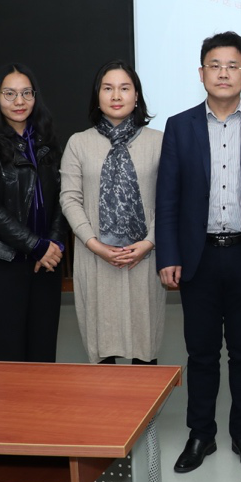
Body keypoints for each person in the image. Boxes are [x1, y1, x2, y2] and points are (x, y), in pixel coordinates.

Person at [156, 32, 241, 474]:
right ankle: (201, 434)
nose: (224, 73)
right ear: (201, 73)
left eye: (233, 66)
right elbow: (167, 198)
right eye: (215, 65)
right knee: (201, 352)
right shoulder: (180, 126)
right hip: (199, 257)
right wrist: (168, 255)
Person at [60, 61, 165, 365]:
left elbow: (170, 201)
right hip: (95, 256)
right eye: (108, 88)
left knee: (144, 348)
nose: (116, 95)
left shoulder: (159, 142)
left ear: (136, 95)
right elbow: (70, 198)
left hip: (145, 257)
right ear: (97, 95)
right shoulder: (78, 143)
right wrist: (95, 245)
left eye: (124, 88)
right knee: (102, 350)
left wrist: (149, 242)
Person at [0, 63, 66, 362]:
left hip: (46, 264)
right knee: (6, 360)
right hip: (3, 261)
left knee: (42, 356)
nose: (19, 101)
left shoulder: (47, 140)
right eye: (9, 93)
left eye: (26, 93)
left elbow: (63, 198)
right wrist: (35, 245)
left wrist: (53, 245)